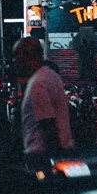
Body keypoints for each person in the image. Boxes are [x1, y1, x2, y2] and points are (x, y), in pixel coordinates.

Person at [11, 38, 72, 167]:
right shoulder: (51, 76)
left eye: (18, 56)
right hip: (57, 153)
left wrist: (52, 164)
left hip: (41, 156)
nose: (15, 62)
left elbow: (48, 124)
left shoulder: (38, 84)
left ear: (29, 56)